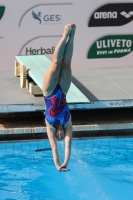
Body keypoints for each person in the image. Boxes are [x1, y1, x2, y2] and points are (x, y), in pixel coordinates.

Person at [42, 24, 76, 171]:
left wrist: (57, 165)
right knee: (67, 64)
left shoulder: (50, 127)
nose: (61, 136)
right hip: (63, 90)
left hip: (49, 92)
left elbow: (55, 149)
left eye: (59, 137)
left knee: (56, 64)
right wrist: (66, 163)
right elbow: (68, 145)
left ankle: (64, 35)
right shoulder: (68, 124)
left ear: (56, 135)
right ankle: (72, 36)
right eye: (62, 136)